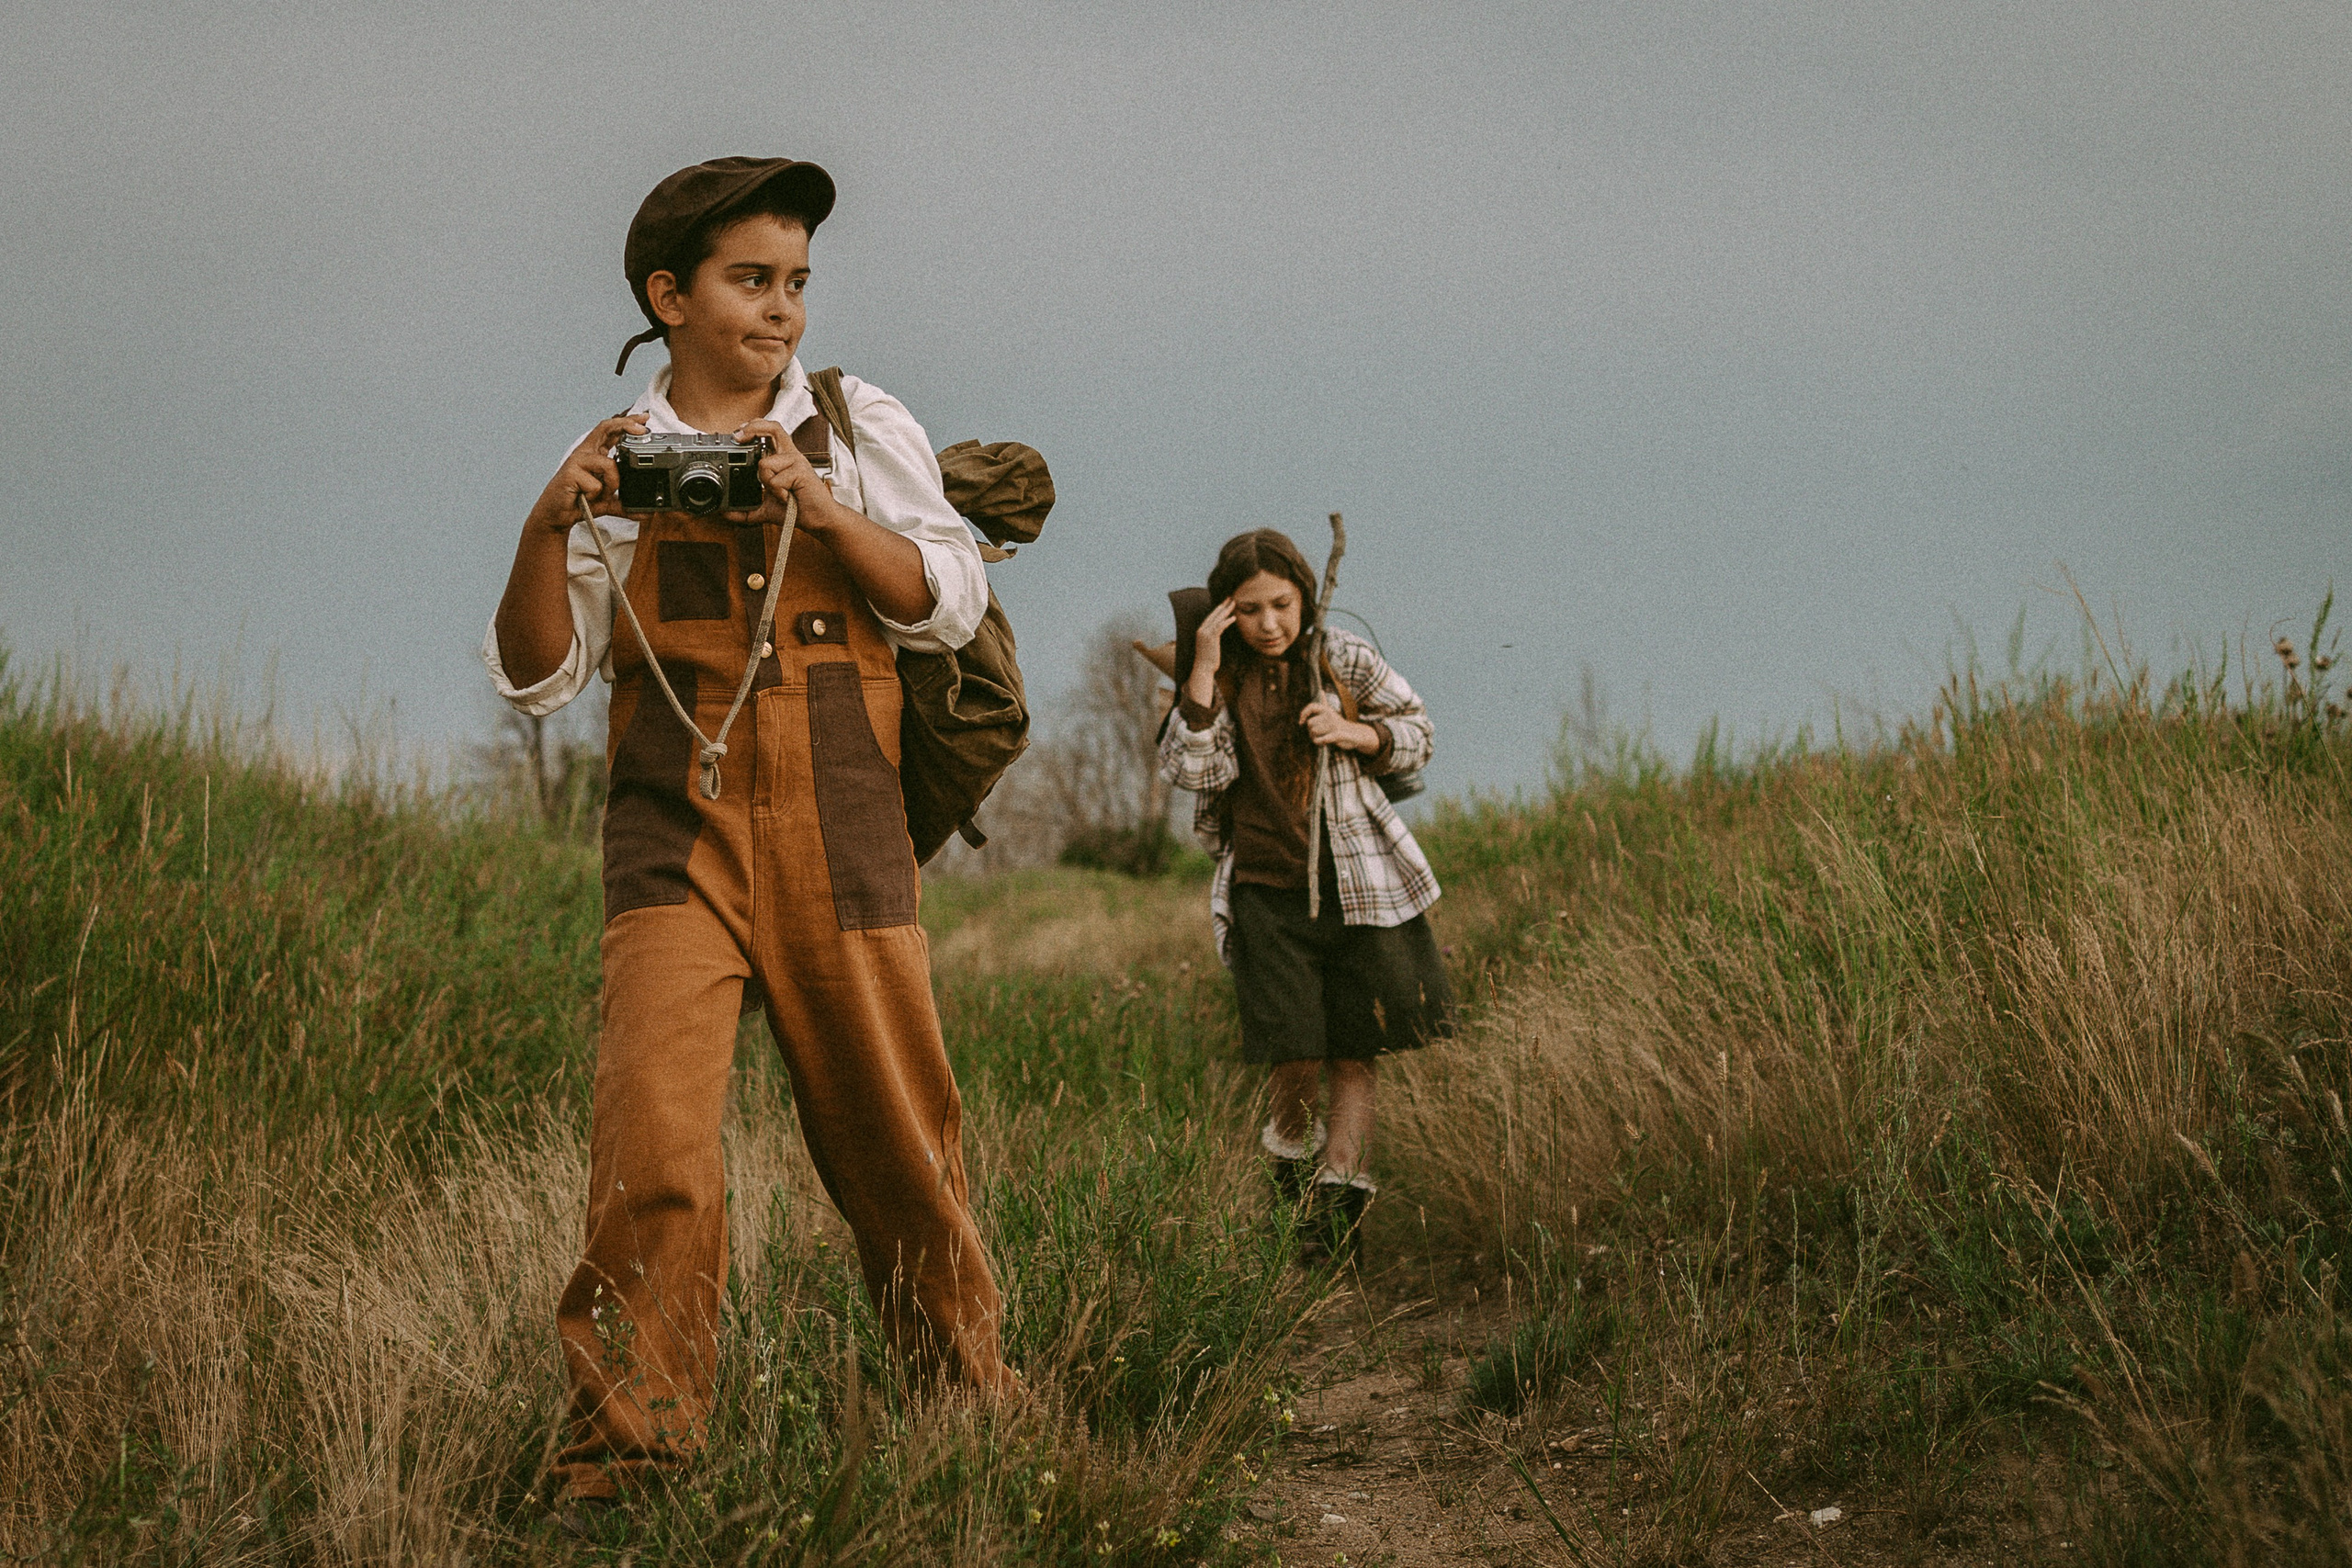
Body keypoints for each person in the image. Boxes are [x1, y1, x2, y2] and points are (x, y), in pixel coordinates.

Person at [484, 156, 1012, 1509]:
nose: (782, 311)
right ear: (669, 295)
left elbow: (945, 600)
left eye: (795, 284)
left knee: (897, 1138)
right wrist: (552, 521)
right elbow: (539, 676)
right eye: (750, 281)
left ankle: (969, 1413)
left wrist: (818, 501)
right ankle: (627, 1458)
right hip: (673, 834)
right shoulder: (612, 452)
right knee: (653, 1144)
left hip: (841, 815)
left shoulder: (854, 420)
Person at [1157, 528, 1453, 1262]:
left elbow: (1420, 732)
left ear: (1303, 596)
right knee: (1292, 1052)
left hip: (1362, 891)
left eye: (1281, 605)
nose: (1269, 624)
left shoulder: (1340, 658)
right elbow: (1186, 770)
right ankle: (1289, 1182)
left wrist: (1354, 732)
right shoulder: (1219, 678)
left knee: (1356, 1051)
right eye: (1249, 609)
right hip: (1266, 894)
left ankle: (1334, 1225)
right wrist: (1200, 667)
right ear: (1225, 611)